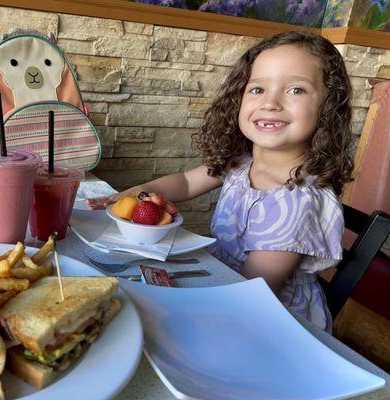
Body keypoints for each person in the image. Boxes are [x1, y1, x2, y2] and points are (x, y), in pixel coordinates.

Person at [86, 30, 354, 332]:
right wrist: (141, 192)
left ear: (327, 108)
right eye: (257, 89)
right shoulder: (241, 163)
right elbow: (187, 183)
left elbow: (249, 293)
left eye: (296, 90)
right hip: (222, 285)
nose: (271, 103)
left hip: (269, 321)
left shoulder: (299, 201)